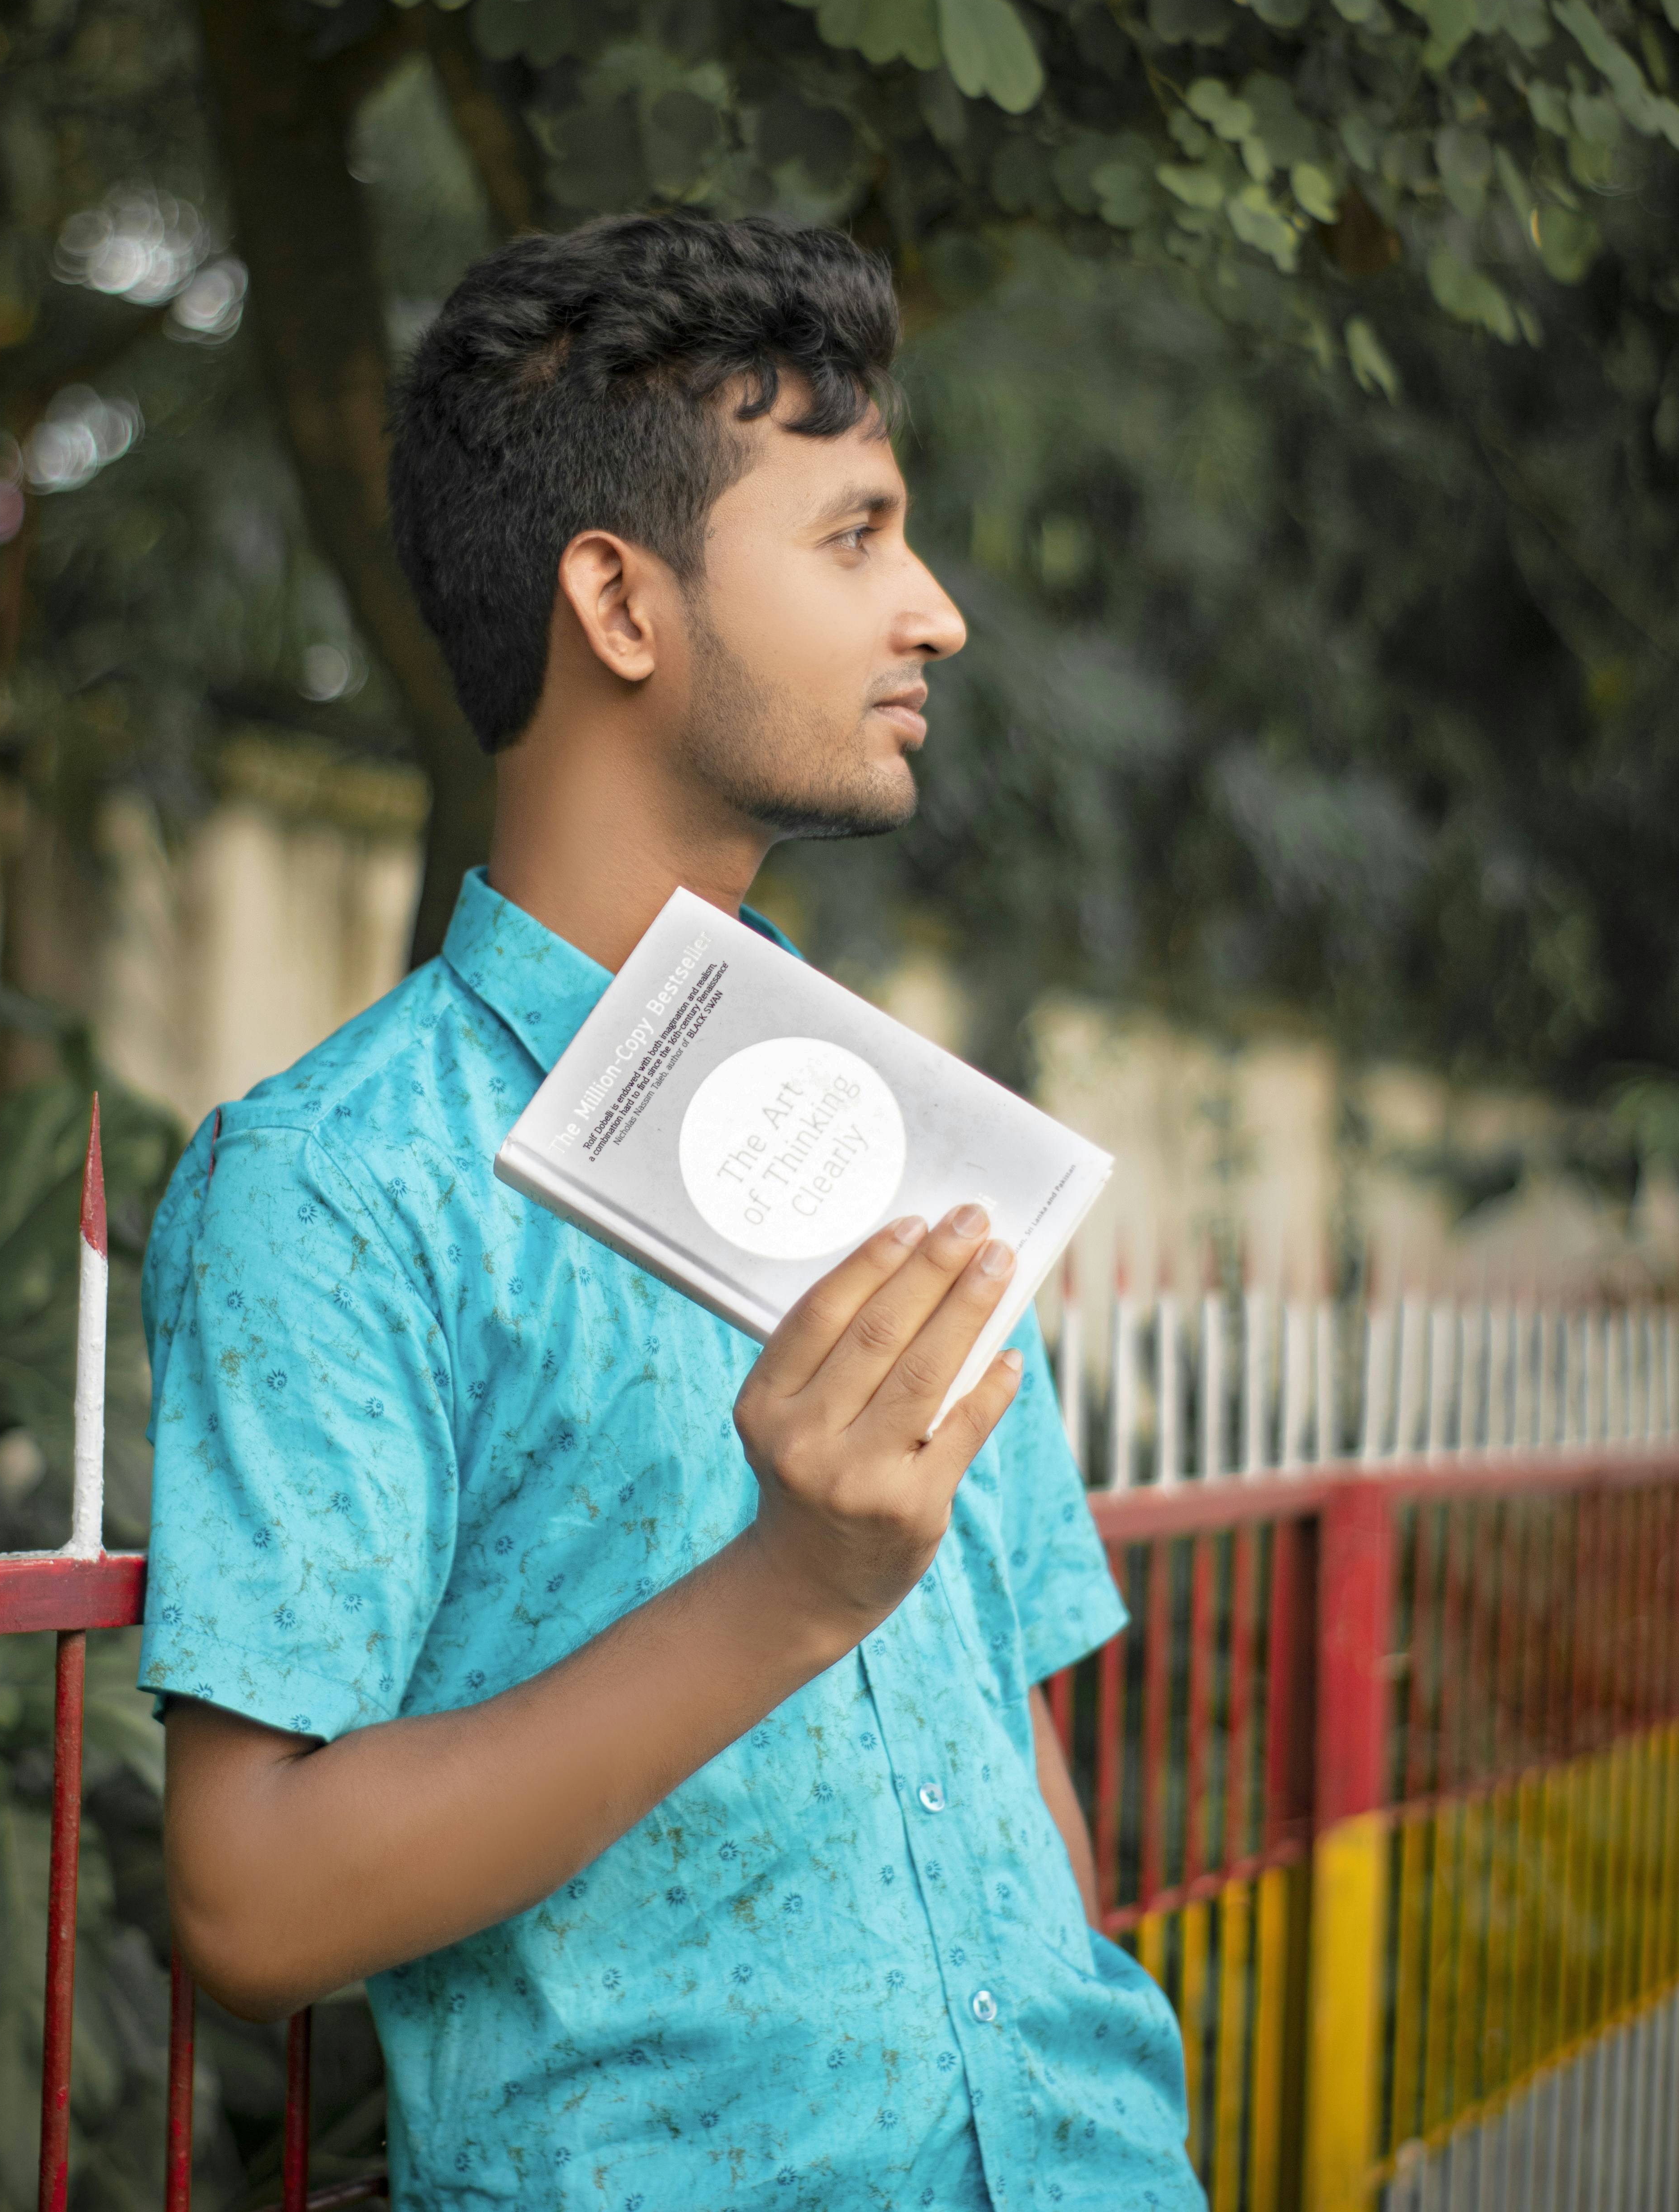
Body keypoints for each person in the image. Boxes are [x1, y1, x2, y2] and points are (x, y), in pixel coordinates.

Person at [141, 215, 1201, 2210]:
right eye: (855, 536)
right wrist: (791, 1590)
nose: (937, 613)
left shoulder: (923, 1137)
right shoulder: (340, 1182)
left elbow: (1008, 1741)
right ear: (620, 605)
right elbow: (250, 1902)